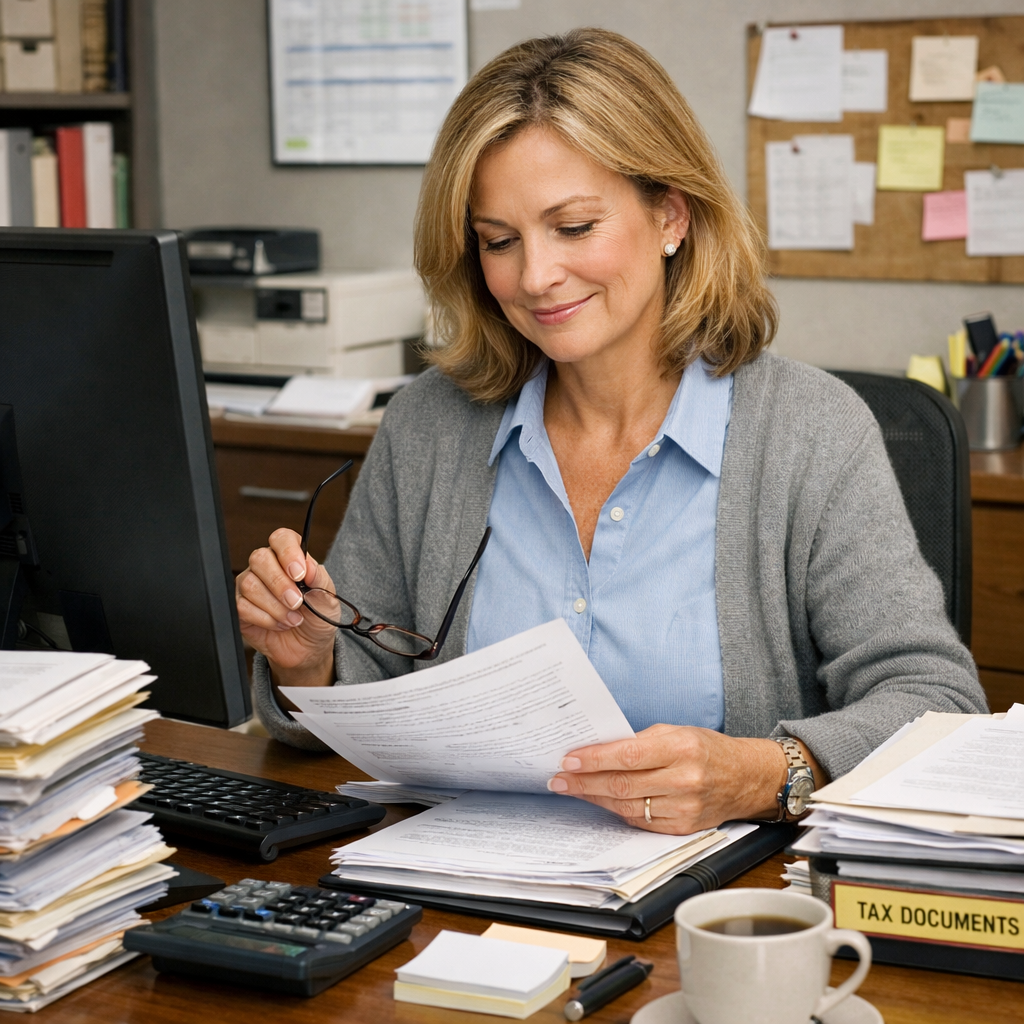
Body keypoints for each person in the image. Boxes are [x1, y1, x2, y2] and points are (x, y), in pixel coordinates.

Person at [236, 29, 986, 836]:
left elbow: (935, 703)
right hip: (465, 901)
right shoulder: (430, 423)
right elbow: (364, 686)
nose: (535, 277)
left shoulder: (808, 432)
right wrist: (307, 660)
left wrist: (765, 772)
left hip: (711, 919)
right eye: (499, 241)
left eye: (575, 226)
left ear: (671, 214)